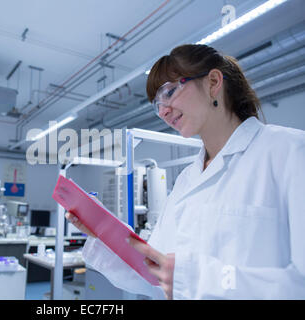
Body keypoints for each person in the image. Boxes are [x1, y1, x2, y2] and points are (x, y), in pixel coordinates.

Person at [66, 44, 305, 299]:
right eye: (156, 105)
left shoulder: (290, 152)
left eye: (168, 92)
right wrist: (104, 235)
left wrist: (197, 278)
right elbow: (156, 274)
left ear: (213, 82)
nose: (163, 111)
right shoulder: (186, 181)